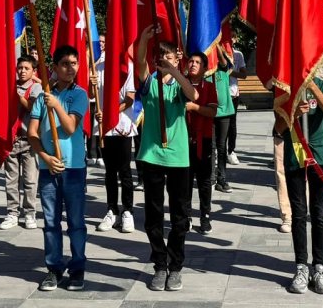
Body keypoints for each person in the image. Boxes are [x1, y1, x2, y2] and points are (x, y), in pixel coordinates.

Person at [134, 25, 200, 292]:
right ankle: (159, 264)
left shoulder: (180, 82)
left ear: (178, 57)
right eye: (159, 56)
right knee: (153, 215)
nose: (163, 60)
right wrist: (144, 38)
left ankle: (175, 266)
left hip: (178, 158)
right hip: (151, 155)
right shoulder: (149, 81)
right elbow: (138, 61)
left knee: (180, 216)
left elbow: (193, 95)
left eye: (169, 56)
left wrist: (173, 71)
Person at [30, 45, 90, 292]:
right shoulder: (42, 95)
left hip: (73, 167)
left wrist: (56, 105)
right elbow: (32, 133)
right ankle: (54, 268)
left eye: (74, 63)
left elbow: (70, 127)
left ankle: (77, 268)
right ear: (54, 67)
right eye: (64, 63)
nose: (70, 68)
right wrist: (44, 155)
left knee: (75, 222)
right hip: (48, 168)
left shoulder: (80, 95)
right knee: (51, 222)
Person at [280, 79, 323, 295]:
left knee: (319, 214)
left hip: (320, 155)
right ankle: (301, 266)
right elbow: (278, 127)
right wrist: (293, 114)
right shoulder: (285, 89)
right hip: (295, 155)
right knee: (299, 214)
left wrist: (312, 87)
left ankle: (319, 266)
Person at [95, 48, 138, 234]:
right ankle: (111, 210)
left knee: (125, 171)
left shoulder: (127, 66)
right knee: (110, 171)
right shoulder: (97, 68)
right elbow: (92, 95)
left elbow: (130, 99)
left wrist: (112, 113)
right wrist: (92, 84)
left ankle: (128, 211)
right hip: (105, 127)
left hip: (122, 126)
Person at [0, 55, 42, 230]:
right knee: (11, 179)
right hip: (11, 139)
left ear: (33, 71)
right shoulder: (11, 85)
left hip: (29, 140)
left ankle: (30, 213)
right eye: (20, 68)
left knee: (30, 180)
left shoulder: (36, 87)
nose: (22, 71)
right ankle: (12, 212)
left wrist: (18, 96)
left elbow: (32, 107)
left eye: (26, 68)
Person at [184, 51, 219, 233]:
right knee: (186, 180)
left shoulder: (210, 87)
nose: (193, 64)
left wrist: (194, 107)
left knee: (204, 181)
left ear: (205, 67)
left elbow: (212, 112)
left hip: (203, 139)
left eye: (197, 62)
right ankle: (187, 215)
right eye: (190, 61)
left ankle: (205, 216)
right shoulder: (181, 85)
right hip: (183, 140)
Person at [211, 44, 238, 193]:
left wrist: (216, 45)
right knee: (211, 147)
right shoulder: (205, 73)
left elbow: (222, 60)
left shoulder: (222, 69)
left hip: (225, 114)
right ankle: (211, 178)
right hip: (209, 113)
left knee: (222, 148)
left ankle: (222, 180)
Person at [226, 44, 246, 165]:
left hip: (233, 94)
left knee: (232, 124)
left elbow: (244, 74)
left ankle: (231, 151)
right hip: (219, 94)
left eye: (233, 37)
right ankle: (218, 151)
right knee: (218, 125)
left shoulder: (238, 54)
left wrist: (230, 72)